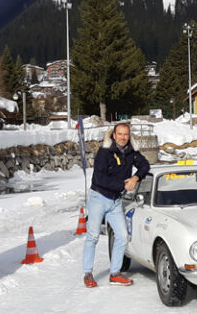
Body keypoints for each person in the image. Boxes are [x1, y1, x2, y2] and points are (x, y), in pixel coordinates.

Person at [82, 123, 150, 288]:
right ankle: (88, 273)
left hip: (115, 201)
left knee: (122, 236)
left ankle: (115, 273)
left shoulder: (130, 152)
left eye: (126, 134)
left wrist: (135, 178)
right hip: (99, 198)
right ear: (114, 135)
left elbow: (145, 165)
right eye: (120, 134)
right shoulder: (104, 153)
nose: (123, 137)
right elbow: (100, 179)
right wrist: (123, 185)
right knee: (93, 236)